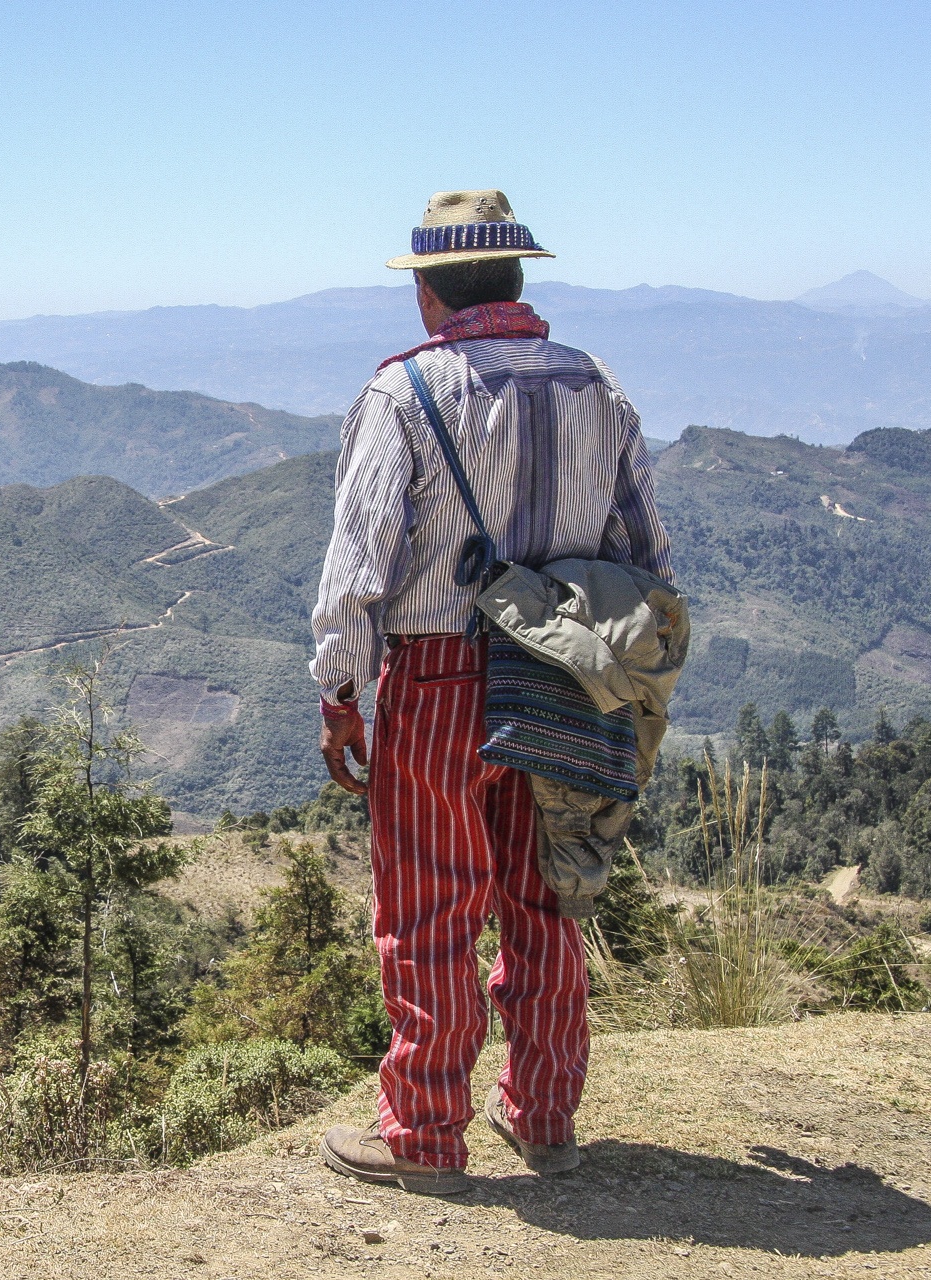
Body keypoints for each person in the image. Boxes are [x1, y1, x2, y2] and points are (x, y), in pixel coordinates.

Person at [309, 189, 671, 1195]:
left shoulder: (407, 393)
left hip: (439, 674)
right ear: (516, 277)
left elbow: (357, 567)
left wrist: (342, 691)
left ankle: (424, 1131)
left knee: (430, 903)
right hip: (567, 669)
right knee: (544, 888)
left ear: (428, 291)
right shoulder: (598, 387)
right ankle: (545, 1113)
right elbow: (646, 551)